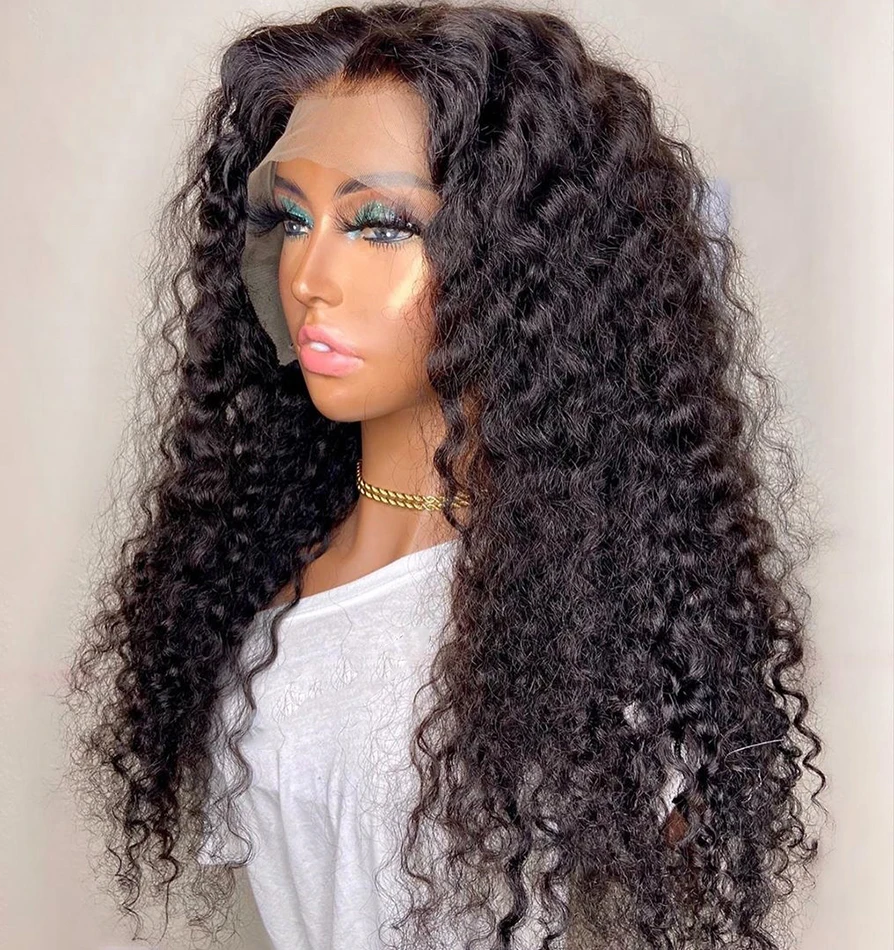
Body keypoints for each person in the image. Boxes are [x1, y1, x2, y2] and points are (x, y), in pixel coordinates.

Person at [63, 4, 826, 949]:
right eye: (291, 217)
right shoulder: (243, 572)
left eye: (380, 224)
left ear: (520, 261)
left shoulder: (591, 606)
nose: (308, 274)